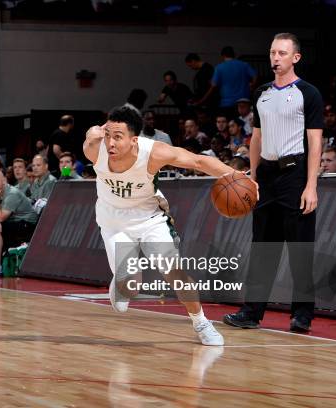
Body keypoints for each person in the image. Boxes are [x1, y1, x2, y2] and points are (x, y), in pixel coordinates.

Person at [83, 106, 256, 346]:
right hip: (113, 222)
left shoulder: (153, 153)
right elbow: (93, 135)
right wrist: (95, 132)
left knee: (174, 270)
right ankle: (121, 284)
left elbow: (197, 161)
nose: (111, 143)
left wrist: (237, 177)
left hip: (149, 218)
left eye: (118, 137)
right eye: (109, 136)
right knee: (132, 286)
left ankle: (201, 322)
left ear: (135, 140)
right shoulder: (94, 149)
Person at [223, 33, 323, 333]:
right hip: (266, 176)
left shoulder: (309, 93)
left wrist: (311, 185)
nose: (275, 58)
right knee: (263, 247)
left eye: (281, 53)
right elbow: (256, 137)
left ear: (295, 57)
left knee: (300, 248)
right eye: (272, 53)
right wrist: (253, 177)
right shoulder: (262, 93)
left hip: (295, 174)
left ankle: (302, 314)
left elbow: (315, 141)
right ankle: (251, 313)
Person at [195, 46, 257, 118]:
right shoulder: (244, 65)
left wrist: (201, 100)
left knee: (229, 125)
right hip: (243, 102)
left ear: (223, 55)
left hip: (227, 103)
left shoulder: (219, 67)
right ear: (234, 54)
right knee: (245, 125)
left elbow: (213, 85)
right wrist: (252, 86)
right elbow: (255, 76)